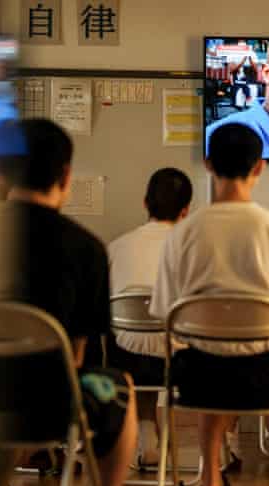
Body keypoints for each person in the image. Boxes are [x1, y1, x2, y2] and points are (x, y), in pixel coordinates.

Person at [0, 118, 138, 486]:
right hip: (51, 403)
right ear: (66, 175)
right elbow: (75, 356)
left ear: (1, 174)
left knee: (4, 389)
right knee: (120, 389)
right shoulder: (86, 248)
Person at [150, 123, 269, 486]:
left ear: (208, 164)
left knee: (204, 352)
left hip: (198, 378)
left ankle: (210, 475)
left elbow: (166, 315)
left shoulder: (182, 233)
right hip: (268, 379)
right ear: (259, 167)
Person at [107, 167, 192, 466]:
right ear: (186, 210)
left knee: (132, 343)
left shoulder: (115, 248)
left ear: (145, 203)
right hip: (183, 363)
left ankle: (148, 442)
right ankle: (221, 452)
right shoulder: (194, 250)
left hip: (125, 359)